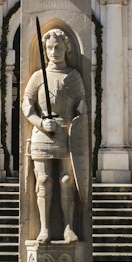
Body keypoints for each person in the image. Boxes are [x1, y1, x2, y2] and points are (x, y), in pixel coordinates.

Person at [22, 28, 88, 244]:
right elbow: (27, 106)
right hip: (42, 135)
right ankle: (44, 228)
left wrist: (82, 108)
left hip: (67, 134)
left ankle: (69, 227)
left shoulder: (73, 76)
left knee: (67, 180)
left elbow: (81, 106)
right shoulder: (38, 76)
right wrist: (41, 122)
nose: (53, 51)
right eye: (49, 47)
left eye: (58, 47)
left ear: (66, 48)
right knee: (43, 180)